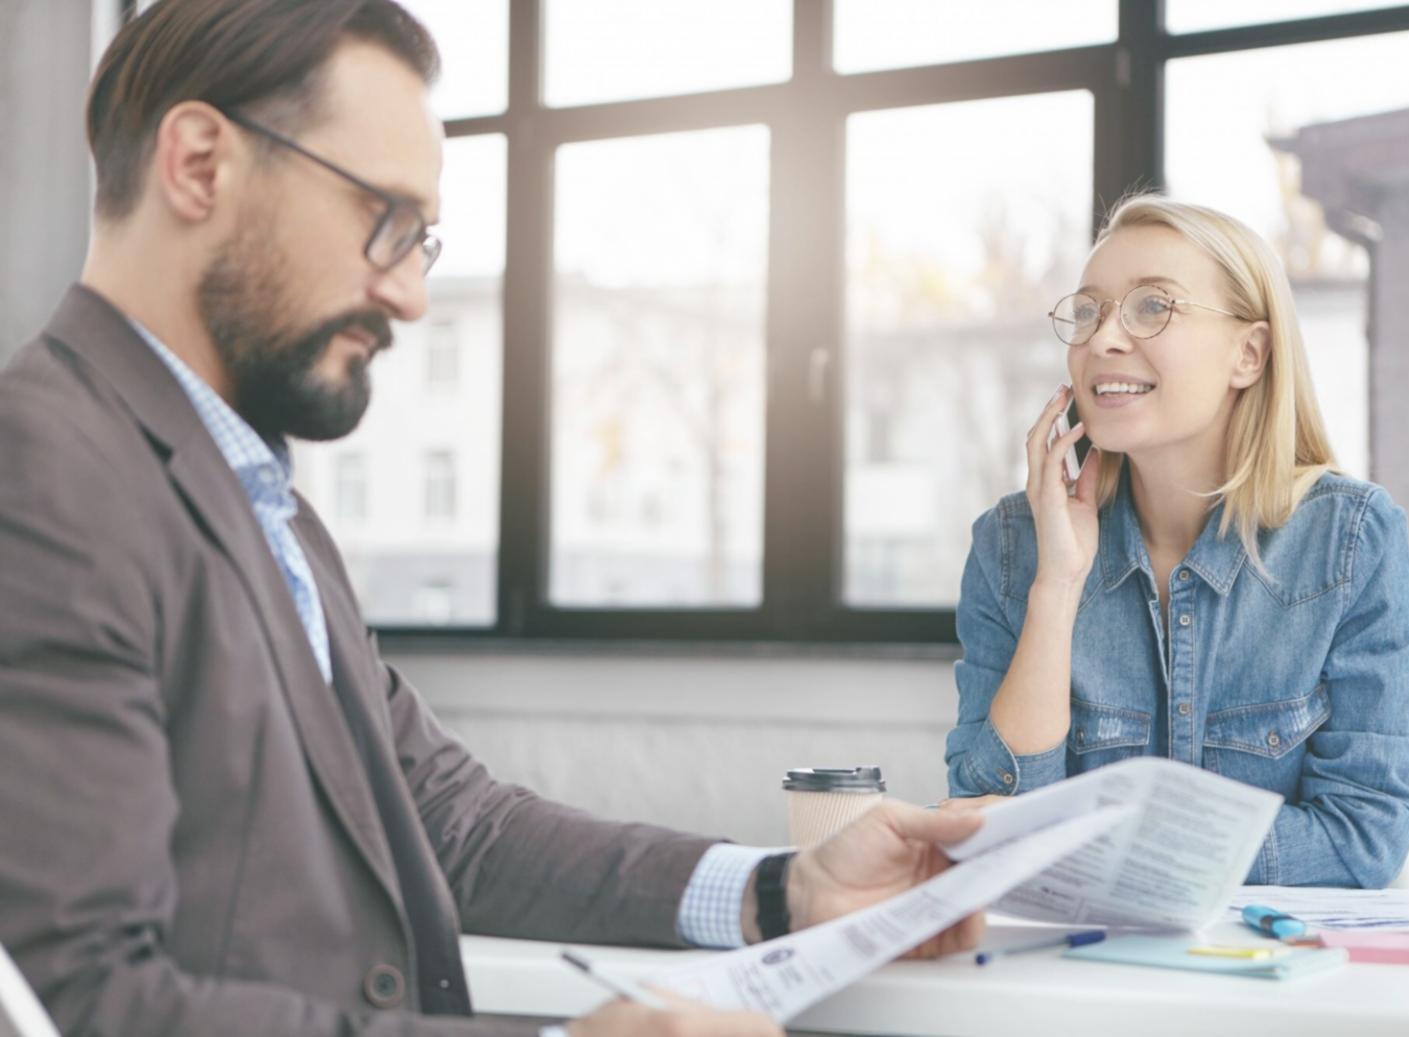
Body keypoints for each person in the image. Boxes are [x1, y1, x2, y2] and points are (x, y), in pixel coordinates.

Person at [0, 3, 985, 1035]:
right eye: (381, 218)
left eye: (420, 239)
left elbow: (448, 825)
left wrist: (782, 888)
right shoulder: (43, 479)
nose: (412, 295)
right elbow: (79, 1001)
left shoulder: (257, 497)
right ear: (200, 165)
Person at [944, 195, 1409, 889]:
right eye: (1088, 310)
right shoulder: (1010, 545)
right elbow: (986, 820)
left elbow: (1360, 837)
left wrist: (1114, 844)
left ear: (1248, 353)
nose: (1102, 339)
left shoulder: (1351, 542)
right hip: (1073, 970)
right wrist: (1056, 585)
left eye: (1151, 307)